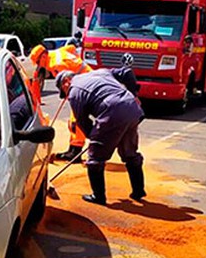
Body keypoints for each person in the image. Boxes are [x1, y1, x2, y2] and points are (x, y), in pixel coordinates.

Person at [55, 69, 146, 206]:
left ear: (66, 82)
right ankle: (138, 191)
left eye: (64, 91)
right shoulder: (100, 72)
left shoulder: (74, 91)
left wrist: (95, 140)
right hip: (132, 108)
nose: (67, 96)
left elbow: (83, 121)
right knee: (130, 153)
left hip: (112, 111)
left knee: (95, 159)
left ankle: (98, 197)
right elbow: (127, 71)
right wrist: (134, 94)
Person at [29, 43, 92, 163]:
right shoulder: (57, 53)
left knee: (76, 120)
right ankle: (73, 148)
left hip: (84, 86)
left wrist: (68, 93)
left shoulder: (56, 64)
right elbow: (72, 48)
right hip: (85, 81)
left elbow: (67, 81)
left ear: (43, 57)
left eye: (38, 62)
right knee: (75, 118)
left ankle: (76, 151)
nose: (38, 66)